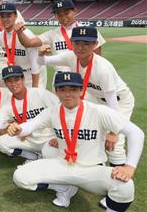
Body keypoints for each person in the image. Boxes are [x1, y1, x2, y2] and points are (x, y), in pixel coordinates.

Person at [8, 72, 144, 211]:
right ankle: (63, 187)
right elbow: (32, 125)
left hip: (91, 169)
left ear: (81, 90)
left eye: (73, 89)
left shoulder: (98, 111)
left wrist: (129, 167)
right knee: (21, 176)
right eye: (62, 89)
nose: (68, 94)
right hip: (62, 164)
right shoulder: (52, 111)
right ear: (56, 91)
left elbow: (136, 133)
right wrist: (19, 128)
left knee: (125, 187)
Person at [38, 26, 135, 168]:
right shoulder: (71, 56)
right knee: (88, 128)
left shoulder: (103, 68)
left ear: (95, 45)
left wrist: (114, 132)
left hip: (119, 102)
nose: (81, 48)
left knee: (115, 143)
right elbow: (43, 62)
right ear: (71, 42)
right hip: (96, 97)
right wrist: (41, 54)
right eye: (77, 43)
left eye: (86, 43)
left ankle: (118, 184)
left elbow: (112, 103)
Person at [0, 66, 58, 163]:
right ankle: (32, 156)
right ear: (5, 83)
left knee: (51, 156)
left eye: (16, 79)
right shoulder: (7, 105)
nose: (13, 84)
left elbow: (61, 110)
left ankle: (44, 155)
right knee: (1, 143)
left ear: (23, 79)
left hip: (49, 138)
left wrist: (59, 136)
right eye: (9, 81)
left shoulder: (40, 93)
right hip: (27, 138)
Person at [14, 0, 105, 83]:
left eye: (66, 13)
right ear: (55, 16)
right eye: (59, 15)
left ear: (74, 11)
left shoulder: (90, 31)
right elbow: (28, 43)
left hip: (82, 75)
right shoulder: (52, 34)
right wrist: (19, 32)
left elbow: (97, 57)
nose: (63, 17)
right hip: (60, 77)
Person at [0, 3, 45, 88]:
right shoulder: (0, 36)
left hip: (34, 74)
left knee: (33, 99)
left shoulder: (26, 34)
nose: (5, 19)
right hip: (17, 75)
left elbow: (34, 63)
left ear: (16, 16)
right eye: (2, 16)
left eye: (8, 16)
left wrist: (35, 87)